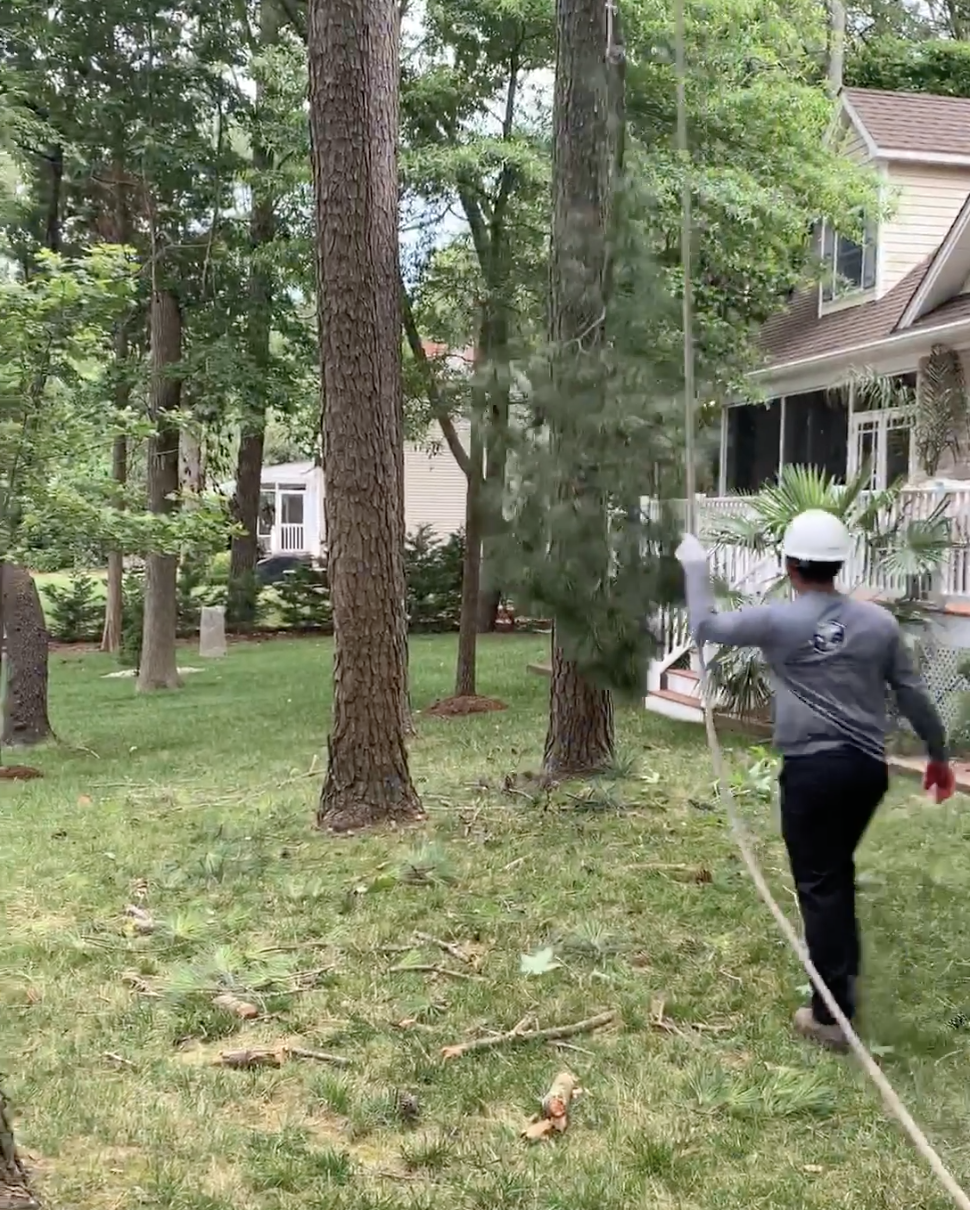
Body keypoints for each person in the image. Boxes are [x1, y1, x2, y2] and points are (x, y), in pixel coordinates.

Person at [675, 509, 955, 1051]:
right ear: (837, 564)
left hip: (813, 774)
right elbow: (913, 693)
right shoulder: (878, 624)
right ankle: (842, 985)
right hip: (865, 773)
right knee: (835, 872)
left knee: (821, 885)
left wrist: (694, 564)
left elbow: (705, 626)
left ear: (789, 565)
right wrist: (938, 755)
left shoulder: (779, 622)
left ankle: (830, 1015)